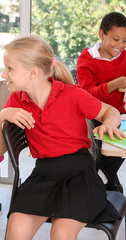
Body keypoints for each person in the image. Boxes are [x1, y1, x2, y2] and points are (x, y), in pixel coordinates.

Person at [0, 35, 124, 240]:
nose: (3, 74)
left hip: (81, 176)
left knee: (61, 234)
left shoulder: (72, 94)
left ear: (33, 72)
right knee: (16, 230)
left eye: (9, 68)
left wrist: (107, 124)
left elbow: (111, 112)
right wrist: (2, 116)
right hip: (43, 175)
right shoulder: (17, 99)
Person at [77, 12, 126, 193]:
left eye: (125, 41)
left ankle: (104, 179)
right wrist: (114, 84)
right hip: (93, 117)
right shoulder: (87, 59)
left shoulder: (124, 57)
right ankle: (106, 182)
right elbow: (87, 95)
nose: (120, 46)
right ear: (101, 34)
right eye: (116, 39)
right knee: (100, 153)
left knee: (118, 149)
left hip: (119, 116)